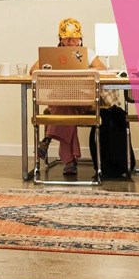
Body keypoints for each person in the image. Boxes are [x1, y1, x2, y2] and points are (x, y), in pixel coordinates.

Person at [29, 18, 106, 176]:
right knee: (64, 107)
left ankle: (48, 139)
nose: (71, 40)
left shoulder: (86, 53)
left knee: (62, 107)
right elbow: (33, 70)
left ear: (80, 38)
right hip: (61, 100)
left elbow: (101, 68)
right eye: (67, 37)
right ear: (61, 39)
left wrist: (82, 71)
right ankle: (70, 162)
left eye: (74, 37)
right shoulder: (53, 54)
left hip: (83, 100)